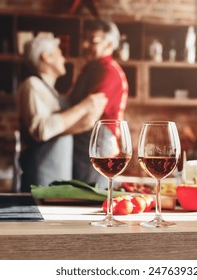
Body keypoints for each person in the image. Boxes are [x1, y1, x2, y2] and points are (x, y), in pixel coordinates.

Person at [17, 33, 107, 192]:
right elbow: (42, 130)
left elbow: (62, 125)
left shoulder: (52, 93)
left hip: (57, 179)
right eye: (59, 54)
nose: (64, 59)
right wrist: (84, 107)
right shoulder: (32, 85)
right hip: (39, 180)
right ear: (47, 57)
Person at [69, 19, 129, 188]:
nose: (85, 44)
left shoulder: (108, 71)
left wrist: (53, 132)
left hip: (98, 146)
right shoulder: (91, 68)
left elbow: (90, 117)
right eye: (85, 39)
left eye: (93, 40)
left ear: (109, 44)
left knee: (89, 200)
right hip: (83, 144)